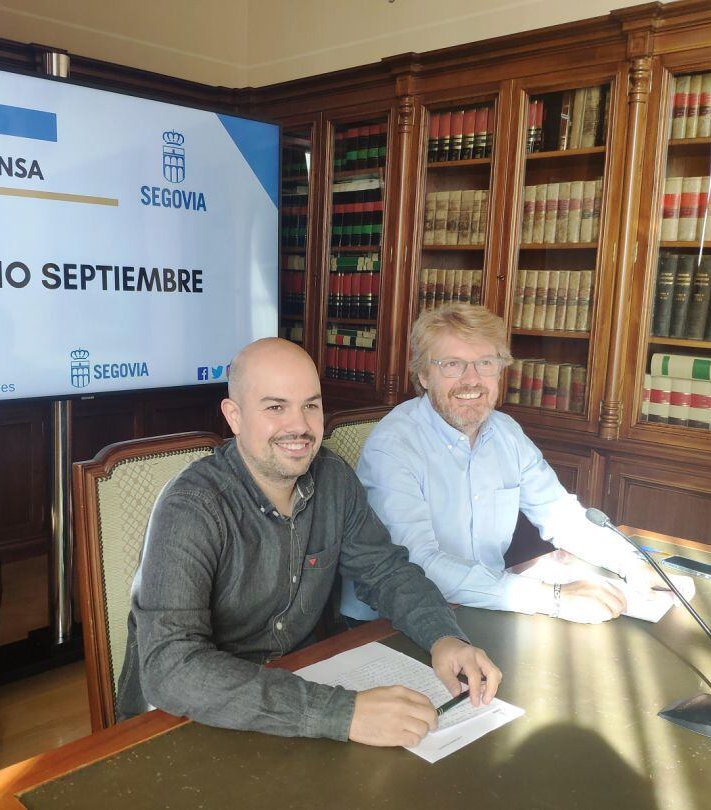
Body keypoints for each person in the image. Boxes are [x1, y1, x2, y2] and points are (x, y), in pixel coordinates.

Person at [117, 337, 501, 747]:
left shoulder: (333, 479)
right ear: (234, 416)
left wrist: (444, 637)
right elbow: (172, 668)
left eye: (311, 405)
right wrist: (342, 713)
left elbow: (386, 571)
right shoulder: (191, 507)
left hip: (300, 687)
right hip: (188, 719)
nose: (298, 426)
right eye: (275, 407)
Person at [340, 303, 652, 626]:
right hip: (393, 622)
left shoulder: (506, 433)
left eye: (485, 363)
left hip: (479, 607)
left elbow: (562, 516)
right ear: (423, 374)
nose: (472, 380)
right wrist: (553, 597)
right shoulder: (393, 446)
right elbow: (418, 566)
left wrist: (633, 565)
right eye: (452, 364)